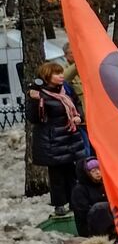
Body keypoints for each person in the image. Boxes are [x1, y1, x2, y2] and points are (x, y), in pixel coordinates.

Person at [27, 60, 86, 216]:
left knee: (72, 173)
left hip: (69, 136)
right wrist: (34, 101)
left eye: (61, 73)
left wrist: (78, 116)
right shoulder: (39, 94)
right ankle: (59, 204)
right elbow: (34, 118)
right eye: (57, 73)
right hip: (52, 140)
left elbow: (77, 104)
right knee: (57, 175)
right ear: (47, 76)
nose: (61, 76)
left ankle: (74, 202)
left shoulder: (65, 90)